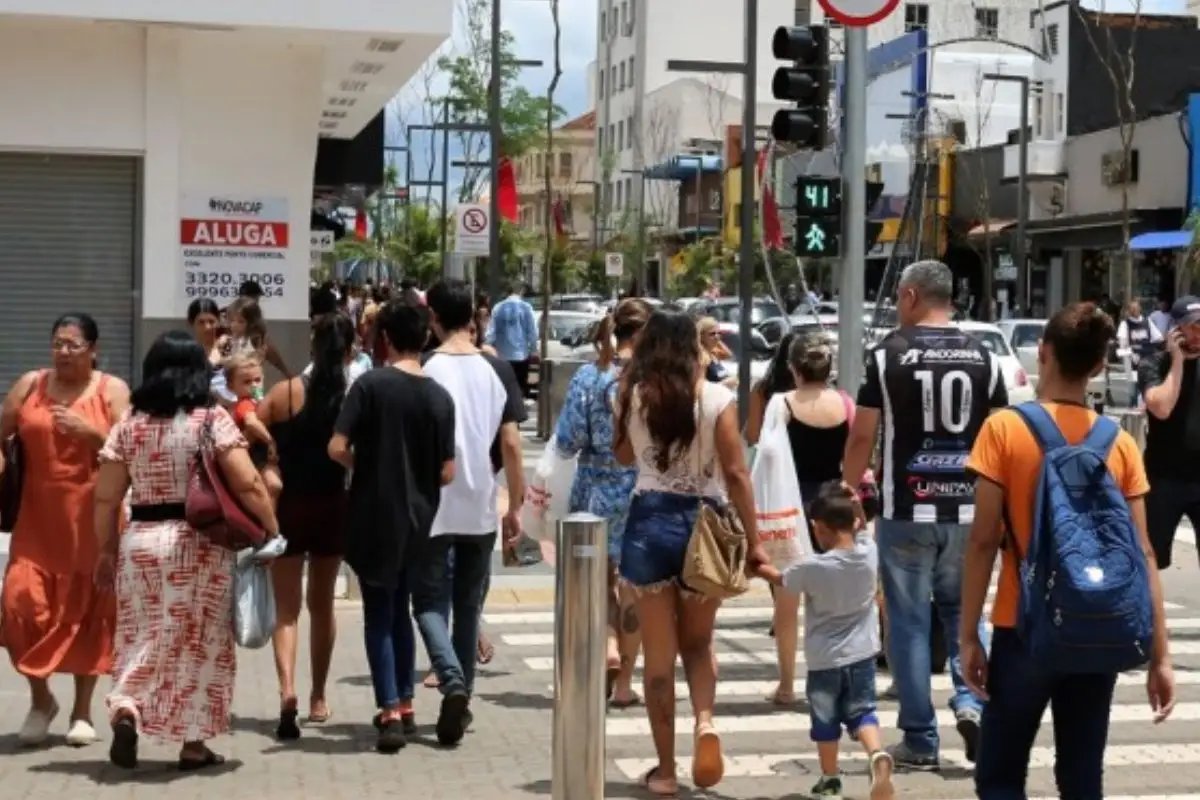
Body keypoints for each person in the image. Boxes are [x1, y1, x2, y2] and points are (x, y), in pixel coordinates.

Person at [961, 302, 1176, 797]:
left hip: (1022, 625)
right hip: (1096, 628)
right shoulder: (1118, 442)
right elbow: (1144, 553)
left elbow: (983, 541)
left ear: (1043, 353)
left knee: (1000, 775)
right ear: (1099, 366)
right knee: (1081, 776)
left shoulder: (1004, 430)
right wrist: (1160, 656)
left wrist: (968, 634)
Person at [841, 260, 1007, 770]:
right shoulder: (985, 355)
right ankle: (973, 704)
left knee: (909, 623)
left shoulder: (887, 355)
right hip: (970, 510)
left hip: (906, 507)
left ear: (912, 296)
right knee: (965, 615)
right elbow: (1002, 433)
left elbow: (863, 435)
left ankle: (919, 738)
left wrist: (848, 487)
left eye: (898, 296)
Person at [94, 330, 281, 769]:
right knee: (200, 643)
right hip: (200, 544)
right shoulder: (210, 419)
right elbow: (248, 483)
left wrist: (105, 550)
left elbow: (105, 497)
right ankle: (193, 744)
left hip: (141, 543)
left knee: (141, 635)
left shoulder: (130, 423)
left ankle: (127, 707)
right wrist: (271, 529)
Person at [613, 310, 767, 796]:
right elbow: (736, 473)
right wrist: (755, 542)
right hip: (705, 524)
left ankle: (665, 771)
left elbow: (622, 456)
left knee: (658, 662)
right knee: (698, 644)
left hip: (649, 523)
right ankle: (704, 722)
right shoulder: (718, 399)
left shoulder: (634, 395)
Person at [328, 301, 456, 753]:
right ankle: (405, 703)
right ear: (424, 338)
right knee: (402, 608)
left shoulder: (369, 385)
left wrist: (366, 466)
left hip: (373, 513)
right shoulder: (439, 397)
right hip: (421, 519)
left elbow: (336, 446)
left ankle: (388, 711)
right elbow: (448, 472)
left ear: (384, 339)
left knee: (379, 613)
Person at [0, 313, 130, 746]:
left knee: (88, 613)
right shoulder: (30, 385)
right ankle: (42, 701)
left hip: (92, 521)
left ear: (93, 349)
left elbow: (131, 450)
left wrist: (92, 434)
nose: (64, 352)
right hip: (36, 520)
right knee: (19, 605)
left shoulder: (111, 390)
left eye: (73, 345)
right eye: (58, 343)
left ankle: (82, 711)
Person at [421, 279, 526, 746]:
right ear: (473, 317)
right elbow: (512, 444)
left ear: (433, 319)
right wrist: (515, 505)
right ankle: (462, 700)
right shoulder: (496, 369)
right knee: (468, 606)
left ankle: (452, 682)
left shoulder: (427, 368)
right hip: (481, 502)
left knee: (428, 603)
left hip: (434, 503)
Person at [759, 482, 896, 800]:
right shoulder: (868, 553)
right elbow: (863, 528)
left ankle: (830, 779)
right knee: (863, 712)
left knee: (825, 721)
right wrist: (855, 501)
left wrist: (756, 565)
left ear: (818, 529)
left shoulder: (811, 567)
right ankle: (876, 753)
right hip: (862, 656)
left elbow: (780, 578)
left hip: (825, 661)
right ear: (854, 522)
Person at [257, 313, 355, 739]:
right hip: (333, 505)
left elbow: (248, 428)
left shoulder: (285, 393)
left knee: (286, 609)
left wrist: (271, 460)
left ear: (312, 346)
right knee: (323, 605)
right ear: (350, 351)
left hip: (290, 507)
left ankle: (287, 692)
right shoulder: (351, 397)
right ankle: (318, 695)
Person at [553, 298, 652, 709]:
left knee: (597, 580)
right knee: (633, 586)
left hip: (595, 486)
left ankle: (607, 644)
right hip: (643, 488)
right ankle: (625, 681)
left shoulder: (589, 376)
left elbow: (567, 440)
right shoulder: (655, 379)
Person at [1139, 295, 1200, 570]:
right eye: (1192, 326)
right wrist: (1177, 361)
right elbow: (1161, 408)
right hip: (1163, 478)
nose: (1198, 333)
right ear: (1175, 329)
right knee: (1151, 561)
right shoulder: (1154, 362)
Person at [224, 353, 282, 503]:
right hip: (252, 456)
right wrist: (270, 441)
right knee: (272, 485)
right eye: (247, 382)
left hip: (260, 455)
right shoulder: (245, 404)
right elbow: (251, 422)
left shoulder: (259, 403)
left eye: (257, 380)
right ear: (231, 387)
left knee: (273, 486)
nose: (254, 385)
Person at [486, 282, 537, 397]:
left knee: (503, 389)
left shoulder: (498, 308)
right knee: (519, 389)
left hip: (502, 356)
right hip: (521, 355)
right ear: (521, 292)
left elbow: (490, 333)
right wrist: (533, 349)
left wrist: (488, 348)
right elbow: (532, 332)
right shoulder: (526, 308)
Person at [1116, 298, 1163, 368]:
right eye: (1132, 308)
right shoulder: (1125, 324)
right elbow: (1123, 345)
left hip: (1149, 359)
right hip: (1133, 360)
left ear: (1140, 308)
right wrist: (1131, 355)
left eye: (1136, 308)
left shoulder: (1147, 322)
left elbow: (1158, 338)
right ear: (1128, 310)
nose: (1134, 310)